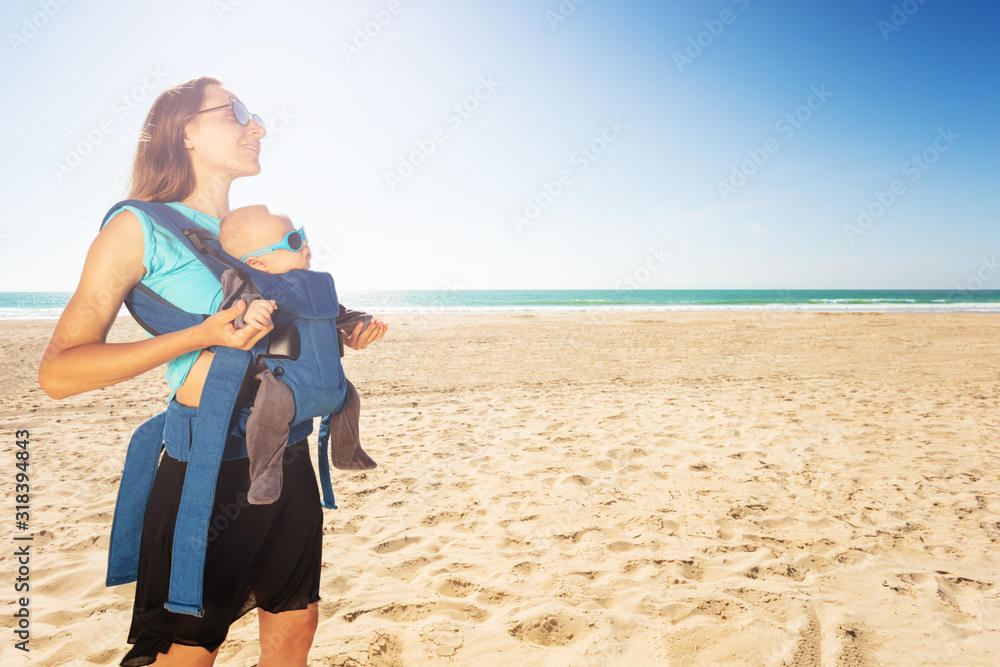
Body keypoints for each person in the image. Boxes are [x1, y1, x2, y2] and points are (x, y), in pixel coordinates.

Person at [38, 76, 386, 666]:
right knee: (189, 651)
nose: (259, 126)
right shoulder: (138, 225)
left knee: (295, 624)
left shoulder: (252, 234)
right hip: (208, 469)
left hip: (288, 458)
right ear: (187, 131)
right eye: (238, 112)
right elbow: (59, 373)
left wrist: (337, 332)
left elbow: (278, 339)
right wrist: (201, 334)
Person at [217, 204, 377, 505]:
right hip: (284, 381)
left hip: (328, 380)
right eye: (292, 240)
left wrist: (361, 321)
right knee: (268, 414)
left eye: (301, 235)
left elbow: (336, 313)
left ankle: (347, 451)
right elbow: (230, 315)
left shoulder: (318, 285)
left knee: (350, 398)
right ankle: (265, 473)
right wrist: (249, 313)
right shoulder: (250, 284)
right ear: (258, 263)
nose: (304, 244)